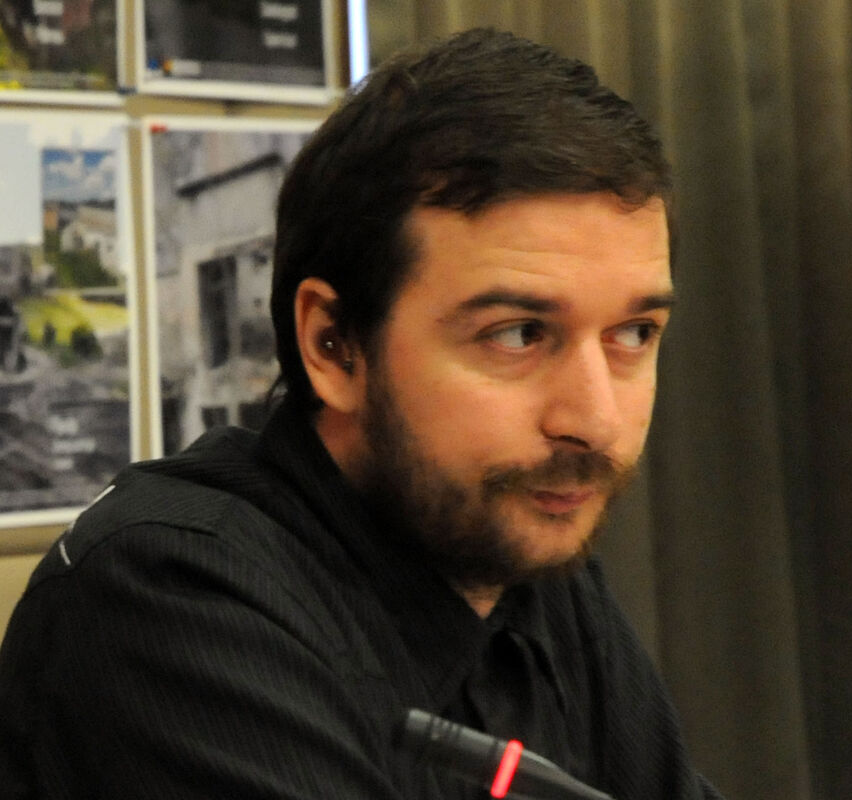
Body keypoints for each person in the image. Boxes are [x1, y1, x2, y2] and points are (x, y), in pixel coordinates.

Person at [0, 27, 724, 800]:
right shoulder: (172, 596)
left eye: (633, 334)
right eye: (517, 334)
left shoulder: (520, 551)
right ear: (333, 344)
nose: (595, 420)